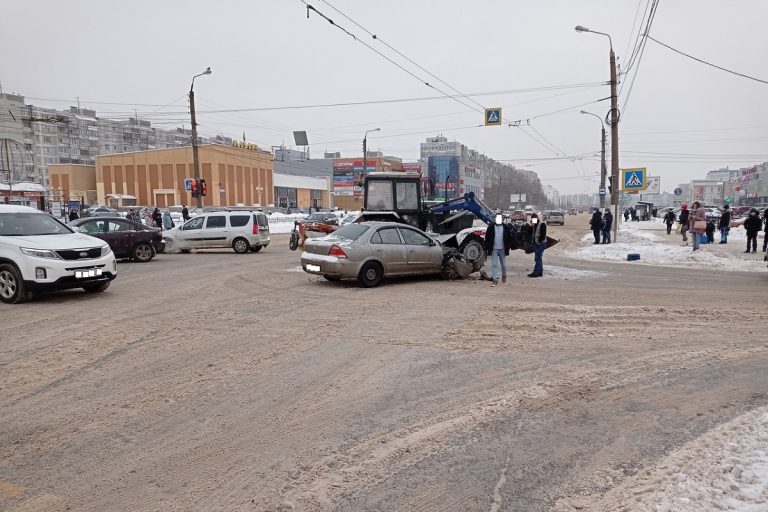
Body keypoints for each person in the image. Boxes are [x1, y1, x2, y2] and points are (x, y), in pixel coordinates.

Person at [484, 213, 511, 286]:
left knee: (504, 265)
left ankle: (504, 275)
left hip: (502, 249)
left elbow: (509, 238)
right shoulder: (491, 227)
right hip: (494, 249)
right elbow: (487, 238)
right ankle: (494, 279)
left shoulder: (505, 227)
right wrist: (486, 248)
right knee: (494, 264)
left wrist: (508, 248)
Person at [527, 213, 547, 278]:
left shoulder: (542, 224)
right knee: (539, 257)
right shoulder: (534, 225)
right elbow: (529, 232)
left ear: (537, 218)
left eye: (535, 218)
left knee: (537, 257)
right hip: (536, 243)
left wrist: (538, 242)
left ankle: (535, 272)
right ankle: (540, 272)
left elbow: (543, 235)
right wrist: (531, 225)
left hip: (541, 243)